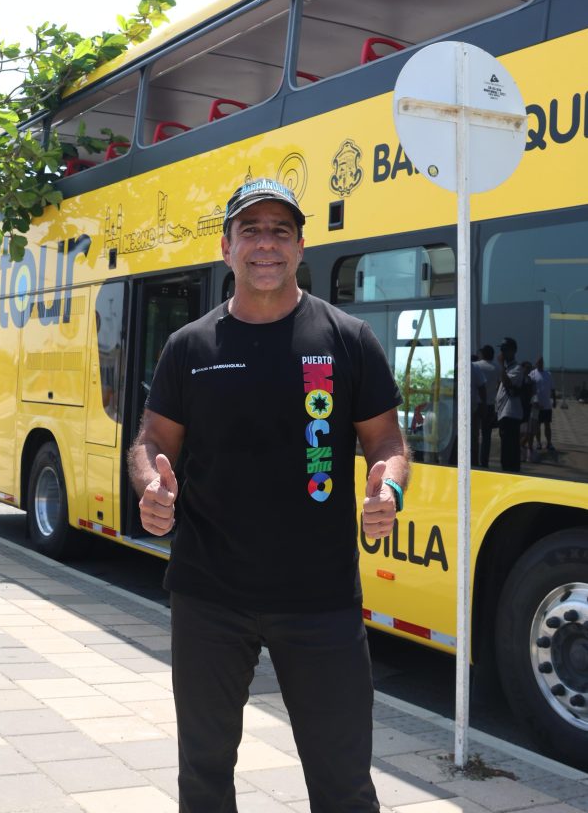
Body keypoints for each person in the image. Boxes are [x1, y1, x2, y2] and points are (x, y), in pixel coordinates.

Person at [128, 177, 410, 813]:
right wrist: (151, 484)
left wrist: (388, 483)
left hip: (321, 598)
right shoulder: (190, 345)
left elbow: (387, 440)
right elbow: (152, 440)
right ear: (225, 247)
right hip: (208, 595)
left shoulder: (347, 338)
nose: (266, 244)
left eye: (281, 231)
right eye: (250, 231)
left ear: (301, 246)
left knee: (344, 784)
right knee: (204, 777)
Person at [495, 336, 524, 472]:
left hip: (510, 414)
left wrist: (501, 365)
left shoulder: (517, 368)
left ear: (513, 351)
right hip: (503, 414)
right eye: (502, 350)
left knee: (509, 451)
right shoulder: (507, 369)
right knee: (506, 450)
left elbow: (508, 383)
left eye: (505, 350)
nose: (502, 353)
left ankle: (511, 472)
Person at [474, 345, 499, 468]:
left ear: (482, 354)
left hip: (476, 404)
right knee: (486, 436)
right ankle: (484, 462)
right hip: (490, 405)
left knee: (474, 435)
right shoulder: (497, 367)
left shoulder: (476, 365)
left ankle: (474, 461)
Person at [529, 356, 556, 453]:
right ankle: (538, 443)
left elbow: (552, 389)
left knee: (547, 425)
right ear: (536, 363)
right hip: (536, 406)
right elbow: (529, 389)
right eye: (538, 362)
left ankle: (549, 443)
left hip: (547, 405)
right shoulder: (532, 374)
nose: (540, 364)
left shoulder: (548, 374)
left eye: (541, 362)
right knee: (537, 425)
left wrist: (554, 401)